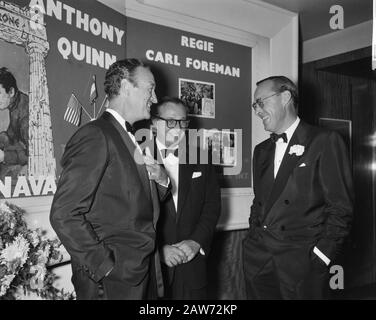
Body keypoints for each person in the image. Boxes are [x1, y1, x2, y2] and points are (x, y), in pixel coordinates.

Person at [50, 59, 170, 300]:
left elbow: (135, 203)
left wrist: (162, 179)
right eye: (150, 89)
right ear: (126, 87)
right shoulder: (95, 135)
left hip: (141, 274)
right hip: (113, 284)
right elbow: (64, 213)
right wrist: (107, 267)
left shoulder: (131, 137)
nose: (155, 99)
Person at [243, 76, 354, 300]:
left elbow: (341, 208)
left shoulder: (324, 140)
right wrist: (252, 236)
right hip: (258, 259)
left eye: (261, 103)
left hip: (301, 263)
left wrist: (322, 256)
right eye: (254, 105)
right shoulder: (261, 150)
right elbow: (260, 202)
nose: (257, 111)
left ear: (285, 97)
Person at [151, 97, 221, 299]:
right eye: (171, 121)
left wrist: (196, 242)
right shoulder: (137, 157)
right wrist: (158, 250)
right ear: (155, 124)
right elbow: (129, 216)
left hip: (193, 267)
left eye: (183, 122)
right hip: (154, 271)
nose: (178, 128)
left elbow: (212, 207)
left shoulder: (202, 157)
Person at [0, 67, 29, 180]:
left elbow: (32, 155)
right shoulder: (15, 103)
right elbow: (11, 135)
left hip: (26, 162)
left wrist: (4, 156)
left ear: (11, 92)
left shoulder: (25, 113)